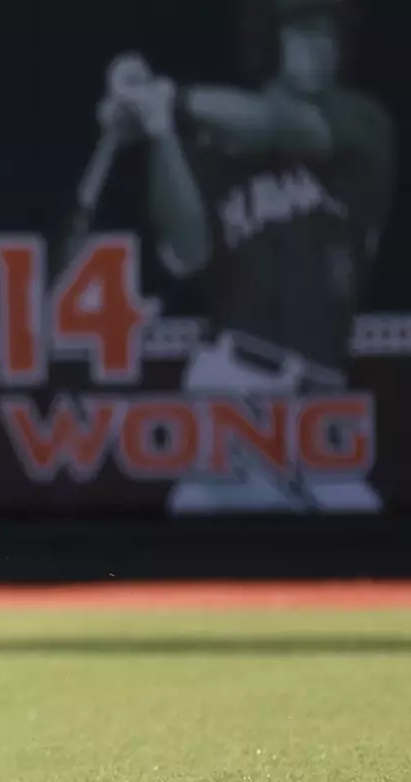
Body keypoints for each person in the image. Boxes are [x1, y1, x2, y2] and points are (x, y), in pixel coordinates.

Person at [101, 0, 392, 513]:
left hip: (322, 407)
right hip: (235, 383)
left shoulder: (362, 124)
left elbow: (279, 126)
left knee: (360, 534)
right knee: (220, 531)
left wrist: (170, 97)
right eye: (303, 34)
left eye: (328, 36)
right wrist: (159, 126)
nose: (320, 48)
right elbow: (186, 252)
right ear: (270, 43)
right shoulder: (216, 140)